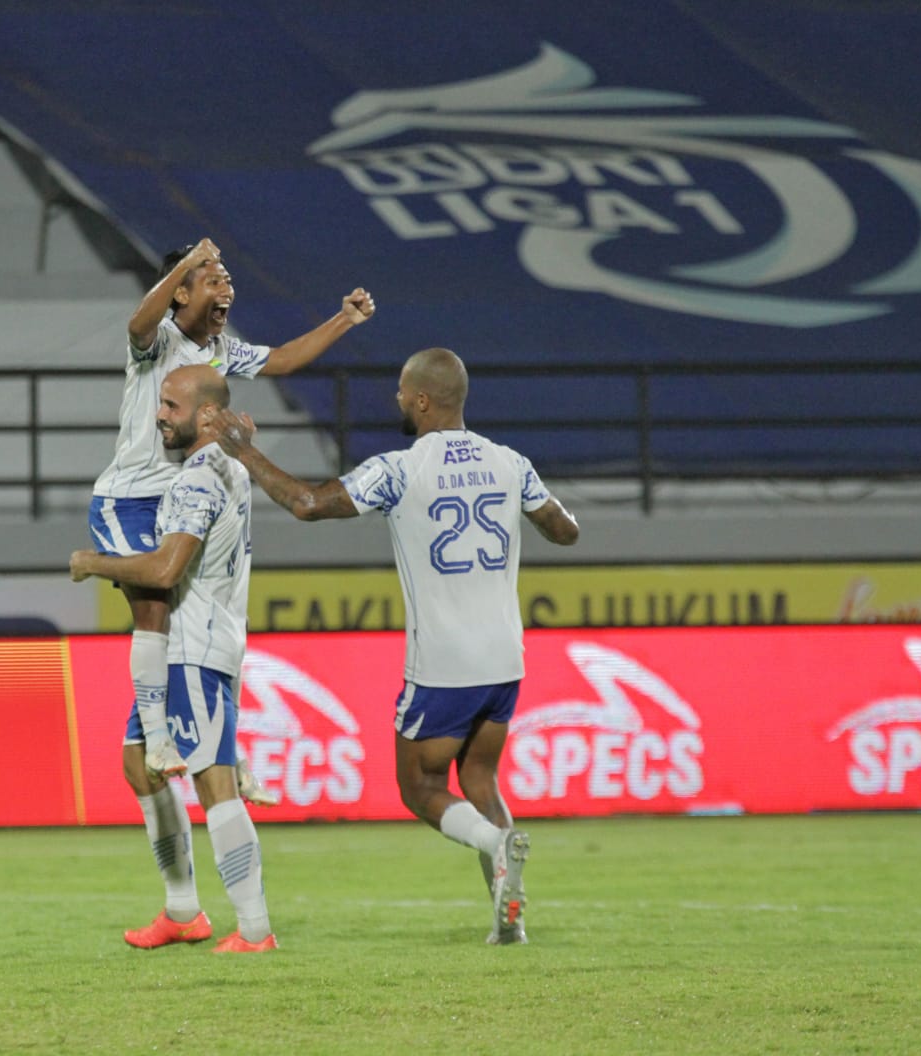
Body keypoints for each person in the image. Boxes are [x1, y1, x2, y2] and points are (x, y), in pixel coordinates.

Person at [209, 346, 580, 945]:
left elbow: (307, 504)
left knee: (421, 788)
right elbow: (566, 530)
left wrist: (243, 451)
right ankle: (509, 924)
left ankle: (496, 844)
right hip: (505, 658)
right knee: (480, 780)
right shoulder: (512, 461)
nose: (398, 400)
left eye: (404, 392)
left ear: (424, 399)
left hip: (443, 663)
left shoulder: (400, 468)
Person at [88, 236, 374, 797]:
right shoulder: (159, 340)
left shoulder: (221, 350)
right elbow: (137, 322)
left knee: (217, 621)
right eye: (214, 280)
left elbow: (285, 358)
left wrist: (343, 320)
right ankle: (157, 737)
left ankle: (224, 751)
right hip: (128, 500)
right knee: (154, 611)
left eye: (228, 280)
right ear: (182, 292)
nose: (228, 290)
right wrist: (185, 265)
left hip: (180, 503)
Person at [72, 365, 277, 953]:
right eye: (159, 403)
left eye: (170, 405)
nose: (159, 415)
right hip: (204, 645)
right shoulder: (230, 467)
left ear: (206, 417)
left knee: (216, 786)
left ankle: (256, 930)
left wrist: (95, 563)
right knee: (138, 764)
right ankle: (184, 910)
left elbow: (165, 570)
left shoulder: (194, 481)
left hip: (192, 650)